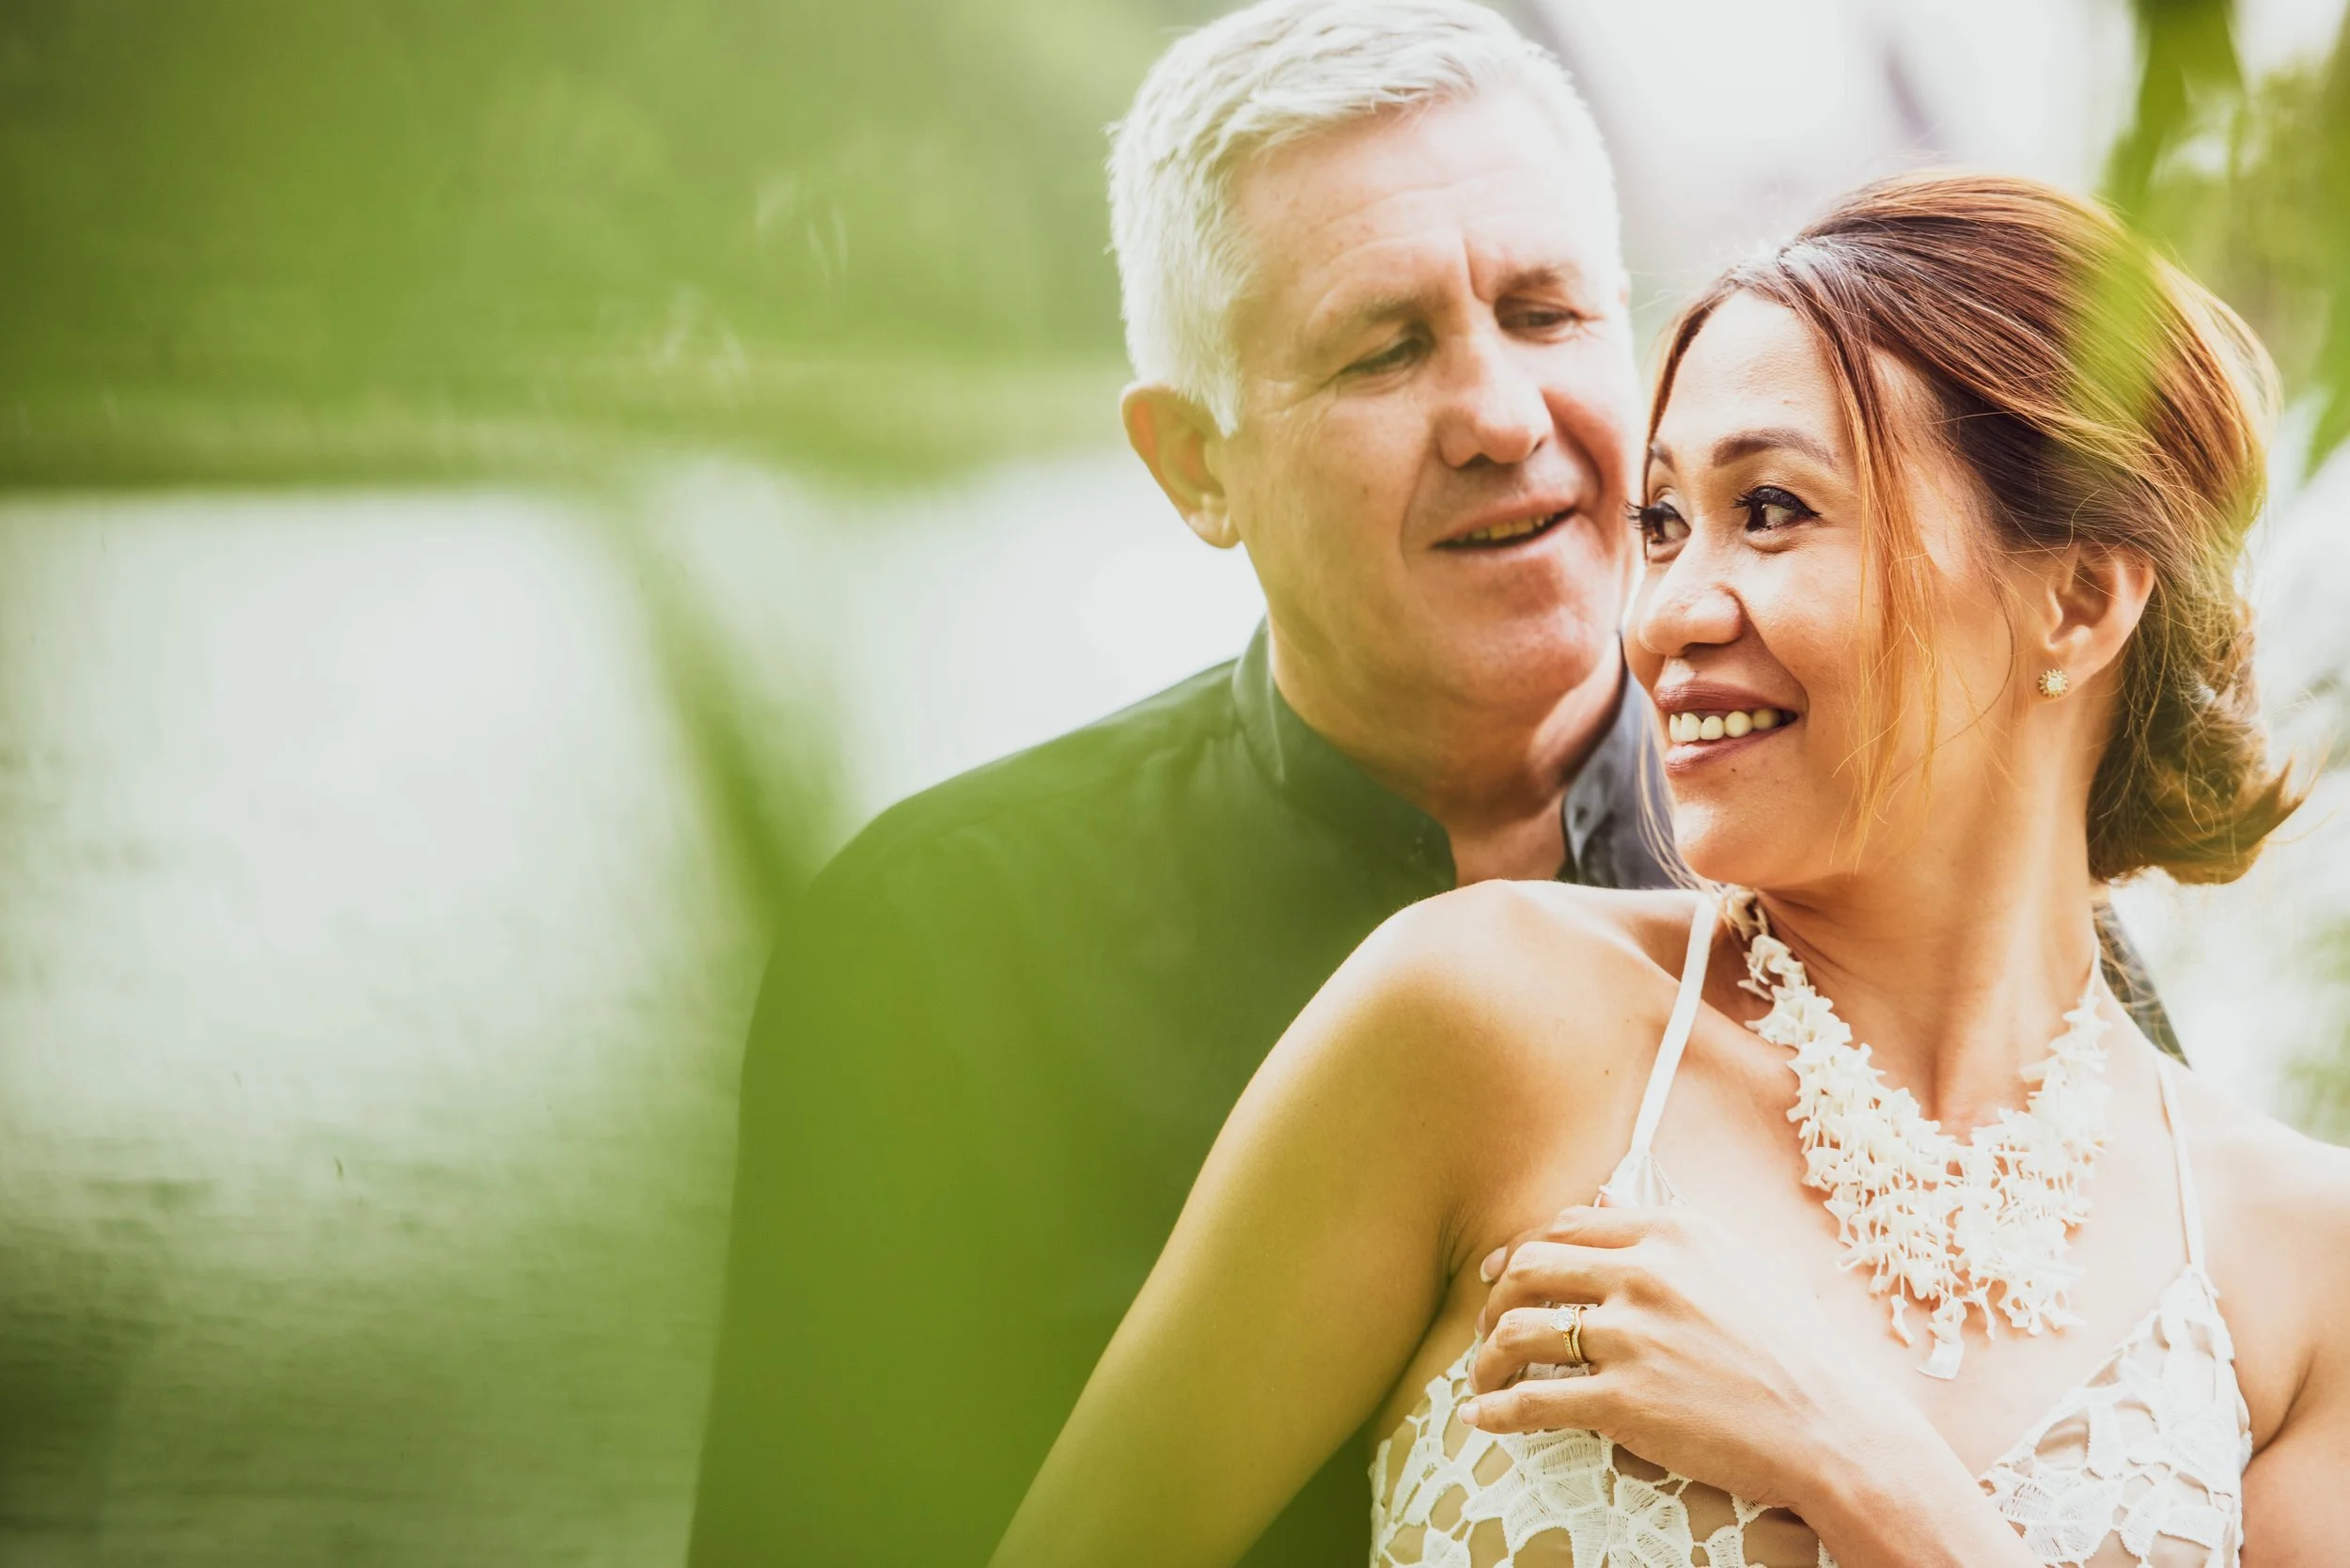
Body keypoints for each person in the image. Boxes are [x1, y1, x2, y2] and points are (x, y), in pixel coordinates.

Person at [687, 5, 2173, 1564]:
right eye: (1385, 348)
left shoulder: (1956, 927)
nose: (1502, 418)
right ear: (1195, 464)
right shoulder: (936, 951)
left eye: (1546, 314)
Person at [989, 169, 2350, 1567]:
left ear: (2077, 599)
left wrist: (1863, 1468)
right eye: (1659, 524)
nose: (1664, 616)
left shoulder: (2305, 1262)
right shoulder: (1479, 1017)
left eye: (1772, 509)